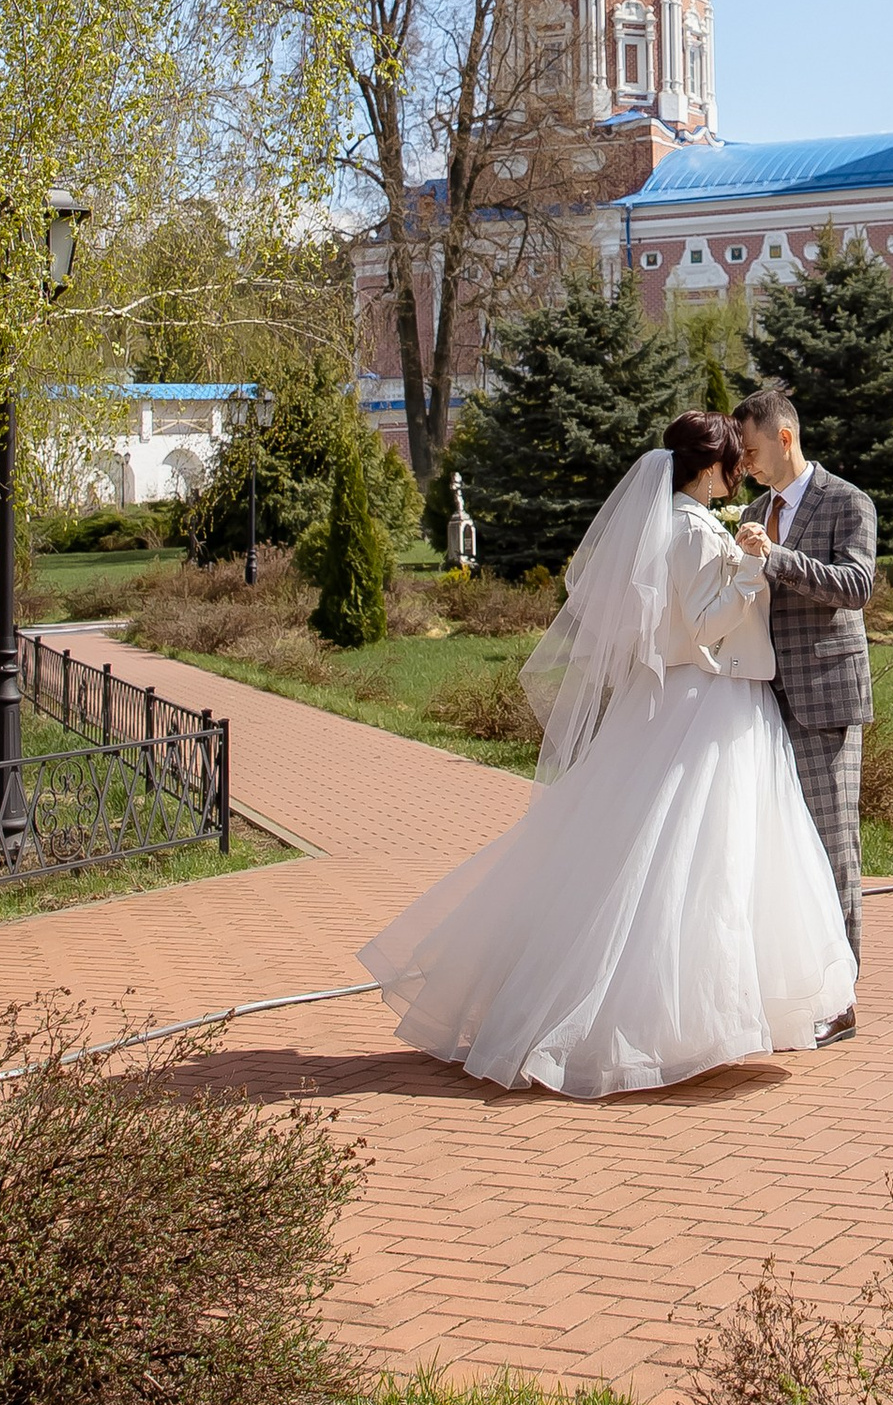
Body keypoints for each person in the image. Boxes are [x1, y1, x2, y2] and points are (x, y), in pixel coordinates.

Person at [357, 410, 853, 1096]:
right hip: (707, 703)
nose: (740, 467)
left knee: (714, 859)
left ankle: (715, 1015)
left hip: (718, 701)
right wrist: (747, 564)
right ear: (711, 466)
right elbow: (705, 623)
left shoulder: (687, 522)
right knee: (693, 859)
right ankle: (666, 1023)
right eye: (733, 458)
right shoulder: (685, 528)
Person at [732, 381, 874, 1044]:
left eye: (753, 448)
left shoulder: (847, 501)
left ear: (784, 436)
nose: (747, 462)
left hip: (826, 701)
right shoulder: (755, 509)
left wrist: (775, 558)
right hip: (765, 705)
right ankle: (799, 985)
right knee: (786, 851)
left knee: (832, 845)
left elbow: (856, 585)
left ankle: (841, 996)